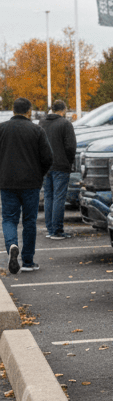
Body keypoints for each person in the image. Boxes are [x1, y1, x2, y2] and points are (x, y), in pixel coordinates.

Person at [0, 97, 52, 273]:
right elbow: (48, 158)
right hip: (31, 183)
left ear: (13, 110)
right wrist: (39, 174)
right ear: (29, 111)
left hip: (7, 182)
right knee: (29, 221)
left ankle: (12, 245)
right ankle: (28, 261)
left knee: (8, 219)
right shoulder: (37, 130)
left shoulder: (2, 129)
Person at [40, 99, 77, 239]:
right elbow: (70, 147)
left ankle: (50, 229)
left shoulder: (42, 122)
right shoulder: (65, 124)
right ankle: (57, 230)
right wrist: (70, 162)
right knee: (59, 198)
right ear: (63, 109)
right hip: (61, 165)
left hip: (46, 166)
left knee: (48, 197)